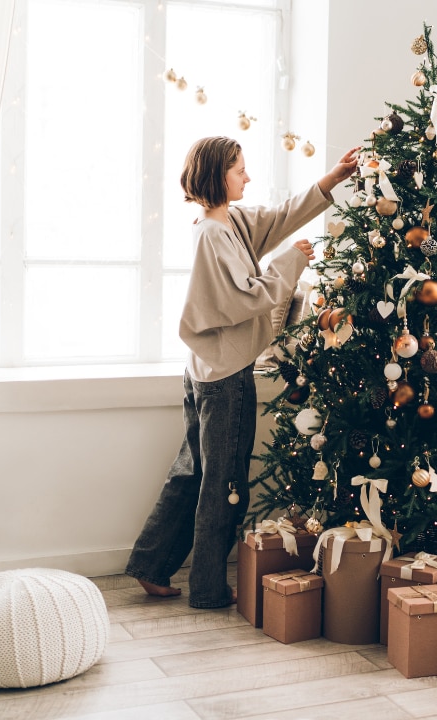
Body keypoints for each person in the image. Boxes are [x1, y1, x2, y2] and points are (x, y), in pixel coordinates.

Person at [125, 136, 359, 608]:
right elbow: (247, 297)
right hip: (224, 378)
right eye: (239, 170)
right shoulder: (213, 235)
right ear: (217, 175)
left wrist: (330, 181)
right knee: (224, 482)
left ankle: (151, 565)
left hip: (204, 371)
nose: (247, 177)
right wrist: (294, 259)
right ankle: (208, 588)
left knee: (192, 471)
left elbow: (277, 217)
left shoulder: (227, 222)